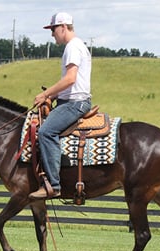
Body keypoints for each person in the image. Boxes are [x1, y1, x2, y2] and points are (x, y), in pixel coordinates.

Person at [29, 12, 92, 199]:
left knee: (46, 132)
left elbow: (70, 79)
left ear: (63, 27)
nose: (52, 34)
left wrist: (46, 94)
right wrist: (52, 96)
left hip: (75, 103)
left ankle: (53, 185)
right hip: (71, 100)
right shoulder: (76, 46)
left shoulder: (73, 47)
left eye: (53, 29)